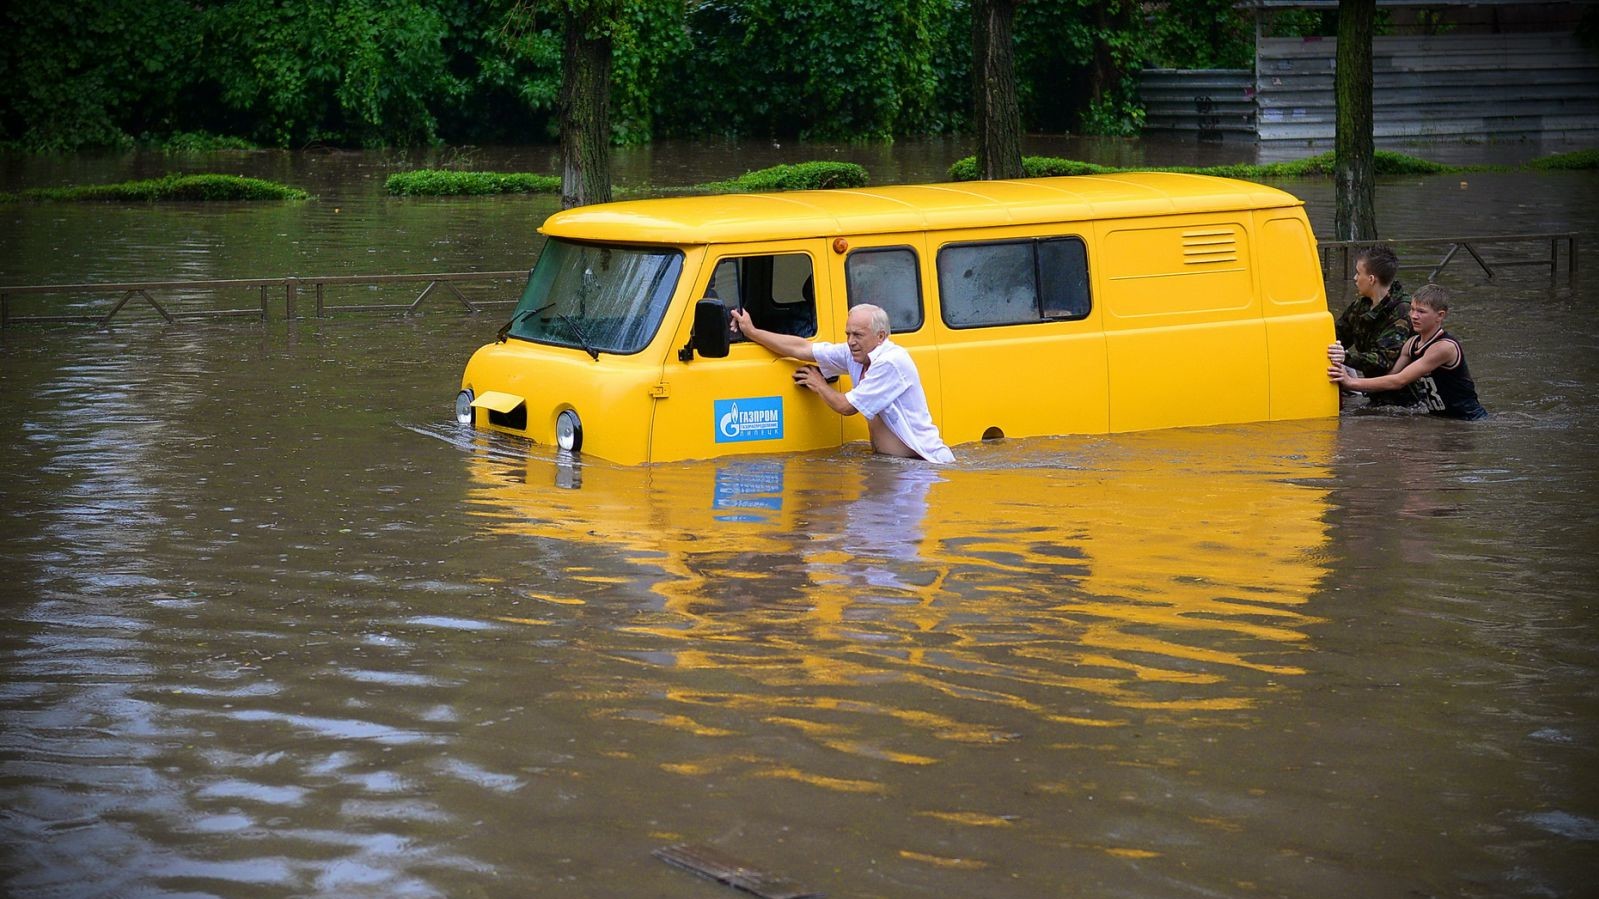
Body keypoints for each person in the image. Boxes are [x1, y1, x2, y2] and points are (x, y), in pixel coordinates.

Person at [730, 303, 955, 463]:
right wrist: (752, 332)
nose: (850, 342)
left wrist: (819, 384)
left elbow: (846, 407)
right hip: (889, 465)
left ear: (880, 336)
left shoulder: (891, 362)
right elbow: (802, 348)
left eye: (858, 335)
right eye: (848, 334)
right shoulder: (854, 353)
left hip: (922, 466)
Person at [1327, 284, 1487, 420]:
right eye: (1412, 309)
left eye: (1421, 312)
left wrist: (1350, 382)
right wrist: (1351, 382)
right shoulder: (1412, 344)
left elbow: (1399, 381)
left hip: (1469, 420)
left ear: (1440, 316)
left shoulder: (1444, 347)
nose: (1414, 316)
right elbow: (1389, 378)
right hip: (1441, 420)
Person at [1328, 245, 1420, 407]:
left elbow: (1383, 360)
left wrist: (1345, 358)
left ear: (1371, 279)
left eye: (1358, 273)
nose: (1355, 278)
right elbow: (1334, 336)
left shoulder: (1403, 310)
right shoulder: (1360, 306)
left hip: (1405, 403)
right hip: (1374, 395)